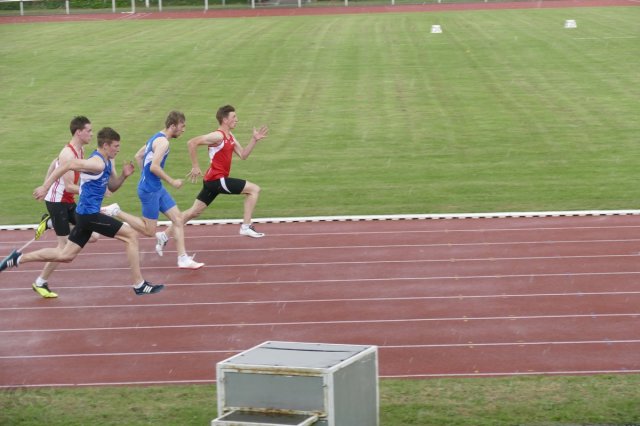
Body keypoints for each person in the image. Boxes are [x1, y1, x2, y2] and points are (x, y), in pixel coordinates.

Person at [0, 127, 164, 296]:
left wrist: (123, 175)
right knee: (130, 235)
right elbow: (67, 165)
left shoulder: (107, 161)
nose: (118, 149)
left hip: (85, 215)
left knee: (65, 255)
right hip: (89, 215)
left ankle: (17, 258)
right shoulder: (97, 163)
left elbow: (112, 187)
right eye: (116, 146)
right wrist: (45, 186)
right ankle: (139, 284)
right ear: (106, 146)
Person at [155, 105, 268, 253]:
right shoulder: (218, 136)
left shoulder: (230, 137)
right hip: (217, 180)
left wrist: (254, 140)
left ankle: (164, 235)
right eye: (234, 117)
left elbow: (243, 155)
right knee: (254, 189)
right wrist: (195, 166)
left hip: (212, 182)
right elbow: (192, 143)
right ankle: (246, 226)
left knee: (193, 212)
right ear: (225, 120)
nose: (237, 120)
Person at [100, 111, 203, 269]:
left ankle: (182, 258)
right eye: (182, 126)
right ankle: (116, 211)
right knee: (149, 231)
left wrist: (146, 176)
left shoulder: (155, 137)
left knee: (178, 219)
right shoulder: (163, 143)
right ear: (173, 126)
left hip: (155, 187)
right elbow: (154, 167)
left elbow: (138, 156)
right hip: (150, 190)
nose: (183, 130)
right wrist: (172, 181)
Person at [31, 116, 96, 298]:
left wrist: (45, 183)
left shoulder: (80, 149)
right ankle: (40, 282)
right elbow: (69, 187)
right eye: (89, 130)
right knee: (63, 249)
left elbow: (55, 163)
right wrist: (92, 192)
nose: (92, 134)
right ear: (79, 132)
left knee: (93, 235)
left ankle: (50, 223)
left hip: (67, 201)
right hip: (57, 202)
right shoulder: (68, 153)